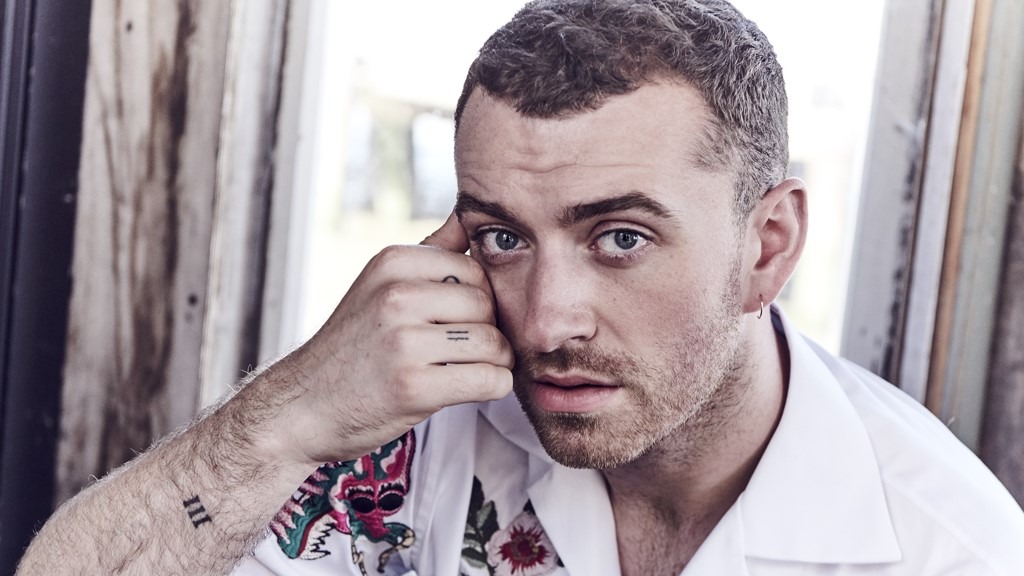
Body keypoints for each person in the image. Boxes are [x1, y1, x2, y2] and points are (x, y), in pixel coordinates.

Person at [17, 0, 1024, 574]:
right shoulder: (418, 434)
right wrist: (287, 415)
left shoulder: (949, 551)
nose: (544, 322)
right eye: (500, 234)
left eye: (620, 237)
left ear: (767, 243)